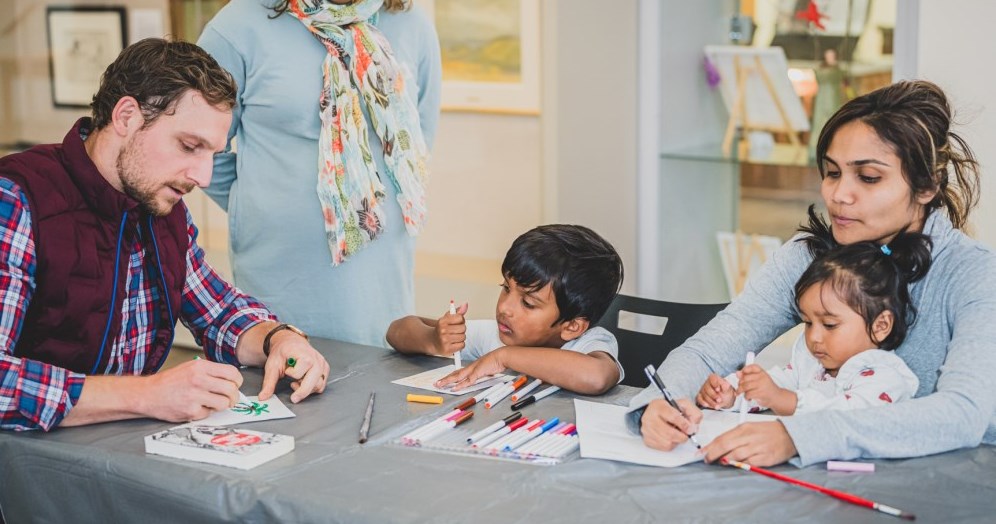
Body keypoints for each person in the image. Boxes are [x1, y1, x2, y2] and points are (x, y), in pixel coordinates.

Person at [632, 79, 996, 467]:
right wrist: (659, 403)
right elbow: (710, 350)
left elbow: (963, 412)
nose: (838, 195)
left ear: (927, 187)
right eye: (832, 172)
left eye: (868, 178)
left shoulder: (973, 272)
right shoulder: (808, 258)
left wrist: (798, 436)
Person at [0, 38, 330, 432]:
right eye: (189, 146)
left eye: (213, 155)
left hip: (118, 460)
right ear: (126, 117)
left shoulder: (160, 207)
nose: (203, 177)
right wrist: (148, 394)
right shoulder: (16, 200)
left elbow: (219, 312)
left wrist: (278, 339)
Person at [197, 0, 441, 346]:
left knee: (379, 387)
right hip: (282, 269)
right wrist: (253, 205)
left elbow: (418, 139)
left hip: (382, 273)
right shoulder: (237, 27)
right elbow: (201, 144)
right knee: (281, 386)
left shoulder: (411, 24)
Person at [696, 211, 927, 416]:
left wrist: (783, 399)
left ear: (880, 325)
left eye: (829, 324)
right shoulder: (811, 361)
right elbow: (778, 383)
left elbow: (846, 416)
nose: (814, 336)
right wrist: (733, 393)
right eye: (807, 322)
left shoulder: (886, 377)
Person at [386, 225, 625, 395]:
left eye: (528, 303)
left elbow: (597, 377)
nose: (504, 308)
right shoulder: (496, 335)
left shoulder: (589, 344)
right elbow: (397, 331)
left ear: (572, 326)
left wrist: (504, 357)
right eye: (506, 288)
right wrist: (433, 339)